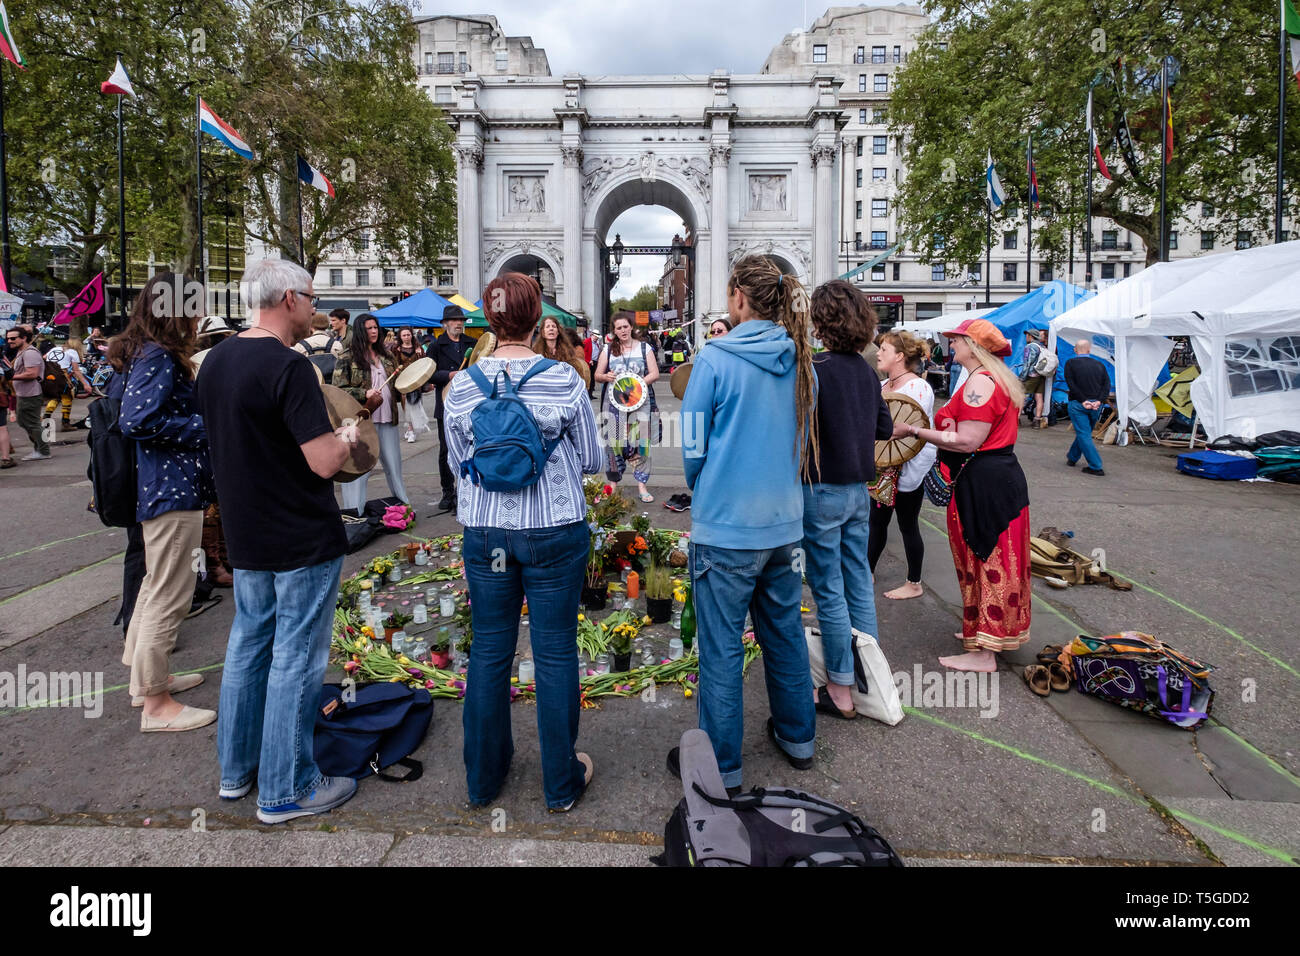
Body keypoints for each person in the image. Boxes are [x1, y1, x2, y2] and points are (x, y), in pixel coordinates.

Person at [198, 257, 358, 823]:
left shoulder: (215, 361)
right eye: (311, 298)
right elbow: (322, 463)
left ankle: (236, 773)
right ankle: (286, 788)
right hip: (298, 533)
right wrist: (347, 436)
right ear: (288, 299)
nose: (316, 308)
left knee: (246, 646)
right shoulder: (288, 367)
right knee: (296, 657)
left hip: (246, 533)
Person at [443, 272, 603, 812]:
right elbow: (593, 460)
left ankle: (483, 781)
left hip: (486, 528)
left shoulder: (462, 386)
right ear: (540, 321)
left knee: (489, 650)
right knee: (555, 651)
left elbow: (456, 465)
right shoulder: (562, 379)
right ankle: (560, 784)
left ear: (488, 321)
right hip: (553, 527)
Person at [677, 255, 818, 792]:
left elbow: (692, 449)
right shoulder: (801, 362)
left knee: (721, 649)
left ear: (738, 297)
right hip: (784, 526)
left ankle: (724, 770)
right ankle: (798, 738)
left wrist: (709, 480)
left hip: (726, 528)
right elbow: (803, 441)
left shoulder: (714, 360)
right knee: (783, 635)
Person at [109, 273, 216, 732]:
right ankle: (156, 703)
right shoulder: (159, 356)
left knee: (157, 584)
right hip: (172, 487)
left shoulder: (148, 352)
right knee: (172, 593)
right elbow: (138, 420)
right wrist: (208, 430)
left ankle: (144, 680)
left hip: (164, 486)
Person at [892, 318, 1030, 672]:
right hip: (996, 479)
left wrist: (914, 430)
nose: (951, 345)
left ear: (974, 346)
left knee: (985, 557)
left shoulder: (980, 383)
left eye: (957, 340)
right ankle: (984, 631)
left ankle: (984, 652)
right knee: (990, 556)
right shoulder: (989, 378)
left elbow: (969, 440)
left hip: (984, 483)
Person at [802, 280, 893, 719]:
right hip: (860, 491)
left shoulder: (814, 367)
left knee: (829, 590)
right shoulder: (866, 371)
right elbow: (885, 430)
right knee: (857, 580)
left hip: (823, 490)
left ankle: (839, 687)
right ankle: (868, 677)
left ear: (821, 321)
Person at [869, 331, 936, 601]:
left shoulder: (918, 388)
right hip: (884, 466)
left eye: (883, 349)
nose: (878, 353)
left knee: (908, 524)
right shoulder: (884, 385)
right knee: (877, 521)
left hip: (907, 468)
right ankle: (867, 571)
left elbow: (903, 429)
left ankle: (914, 582)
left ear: (899, 356)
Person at [332, 313, 409, 513]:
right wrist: (363, 392)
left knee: (394, 466)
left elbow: (397, 384)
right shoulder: (347, 356)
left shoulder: (387, 355)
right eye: (369, 328)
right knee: (359, 470)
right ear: (360, 331)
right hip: (361, 422)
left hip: (387, 420)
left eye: (375, 327)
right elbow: (337, 390)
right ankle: (353, 513)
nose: (374, 331)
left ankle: (404, 507)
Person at [594, 312, 659, 503]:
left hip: (641, 402)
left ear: (631, 327)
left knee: (642, 443)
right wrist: (606, 377)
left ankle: (642, 485)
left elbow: (654, 373)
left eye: (625, 326)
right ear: (614, 331)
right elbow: (597, 374)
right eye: (618, 328)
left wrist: (636, 385)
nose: (623, 330)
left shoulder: (644, 348)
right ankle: (613, 484)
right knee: (614, 443)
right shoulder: (607, 350)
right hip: (615, 405)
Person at [425, 304, 474, 512]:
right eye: (454, 320)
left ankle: (470, 489)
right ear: (445, 324)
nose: (458, 324)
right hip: (446, 404)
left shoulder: (473, 343)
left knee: (470, 447)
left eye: (461, 321)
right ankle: (448, 491)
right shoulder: (436, 346)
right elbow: (427, 373)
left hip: (469, 403)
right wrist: (448, 375)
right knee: (446, 450)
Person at [1064, 338, 1110, 476]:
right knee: (1084, 433)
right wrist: (1099, 401)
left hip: (1078, 404)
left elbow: (1071, 384)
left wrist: (1083, 400)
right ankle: (1072, 457)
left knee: (1083, 434)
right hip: (1096, 405)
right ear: (1089, 350)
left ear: (1075, 350)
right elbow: (1106, 385)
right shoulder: (1100, 365)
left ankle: (1096, 466)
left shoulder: (1070, 363)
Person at [7, 325, 51, 460]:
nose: (9, 341)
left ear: (24, 338)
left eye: (13, 338)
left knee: (32, 423)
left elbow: (32, 374)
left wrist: (11, 376)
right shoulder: (21, 351)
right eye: (8, 339)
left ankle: (43, 451)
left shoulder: (30, 353)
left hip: (31, 394)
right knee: (23, 421)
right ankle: (39, 448)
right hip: (23, 394)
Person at [43, 338, 92, 430]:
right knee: (67, 397)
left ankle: (46, 418)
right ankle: (65, 423)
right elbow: (76, 370)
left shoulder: (55, 349)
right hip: (61, 376)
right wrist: (85, 384)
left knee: (56, 397)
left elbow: (44, 358)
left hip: (49, 377)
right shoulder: (72, 352)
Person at [390, 325, 426, 443]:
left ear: (412, 335)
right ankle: (410, 429)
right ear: (400, 337)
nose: (406, 337)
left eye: (408, 334)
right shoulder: (396, 350)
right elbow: (394, 365)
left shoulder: (418, 348)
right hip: (403, 382)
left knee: (416, 404)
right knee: (406, 404)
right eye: (404, 335)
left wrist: (420, 354)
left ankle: (413, 428)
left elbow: (424, 363)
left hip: (416, 381)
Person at [533, 315, 590, 385]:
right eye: (547, 326)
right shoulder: (535, 352)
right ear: (543, 332)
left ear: (558, 331)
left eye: (553, 326)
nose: (551, 329)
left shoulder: (568, 351)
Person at [1021, 329, 1050, 427]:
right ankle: (1037, 421)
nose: (1026, 336)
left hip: (1031, 376)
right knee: (1039, 397)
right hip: (1041, 375)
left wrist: (1022, 377)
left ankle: (1015, 419)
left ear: (1031, 336)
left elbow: (1028, 363)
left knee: (1021, 396)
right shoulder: (1042, 347)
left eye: (1027, 335)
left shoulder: (1030, 347)